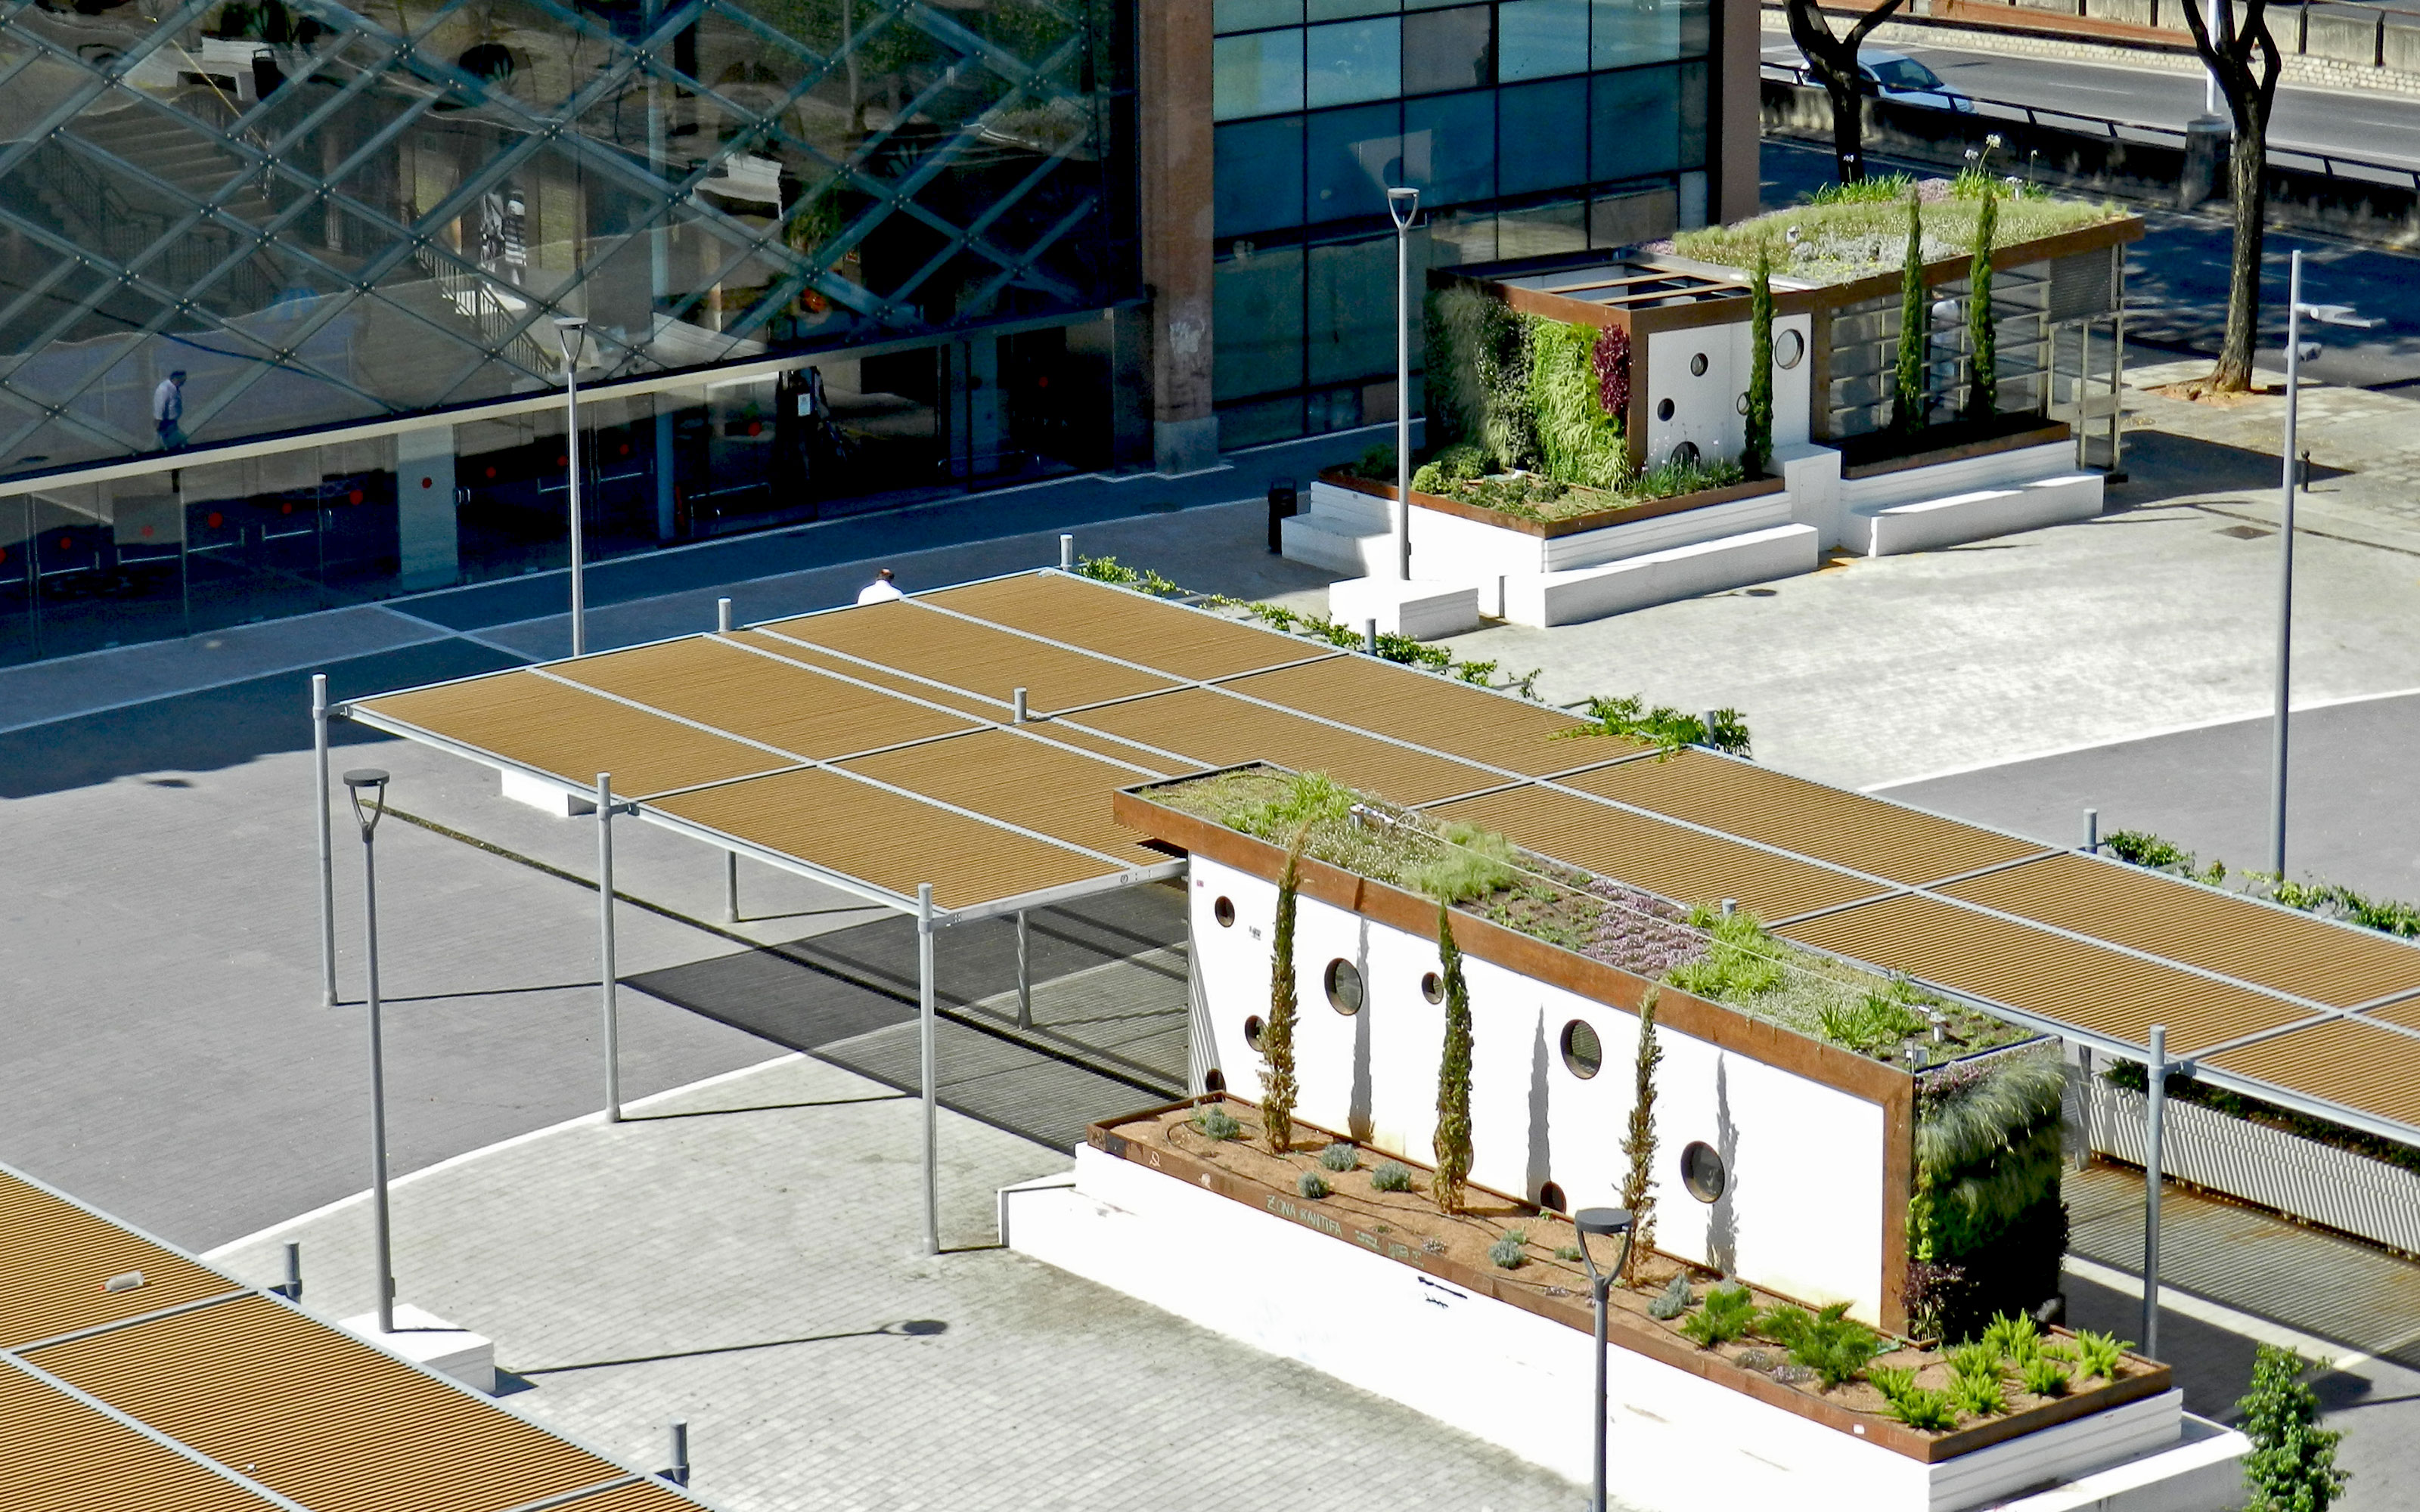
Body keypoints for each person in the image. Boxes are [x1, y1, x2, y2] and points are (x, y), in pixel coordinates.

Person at [153, 369, 187, 451]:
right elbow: (160, 405)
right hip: (166, 421)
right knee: (173, 440)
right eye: (182, 381)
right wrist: (159, 420)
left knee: (173, 439)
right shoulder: (164, 389)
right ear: (175, 379)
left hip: (171, 421)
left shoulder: (173, 388)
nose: (183, 383)